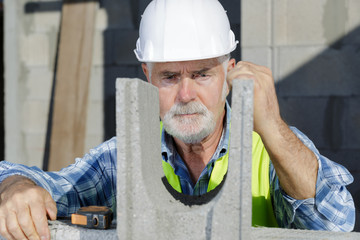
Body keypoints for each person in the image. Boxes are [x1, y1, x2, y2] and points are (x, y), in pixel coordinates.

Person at [0, 0, 355, 239]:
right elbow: (55, 186)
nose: (185, 95)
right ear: (147, 76)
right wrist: (15, 186)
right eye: (169, 77)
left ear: (229, 74)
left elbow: (335, 226)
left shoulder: (272, 149)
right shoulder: (126, 157)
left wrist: (273, 126)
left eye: (201, 74)